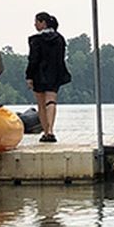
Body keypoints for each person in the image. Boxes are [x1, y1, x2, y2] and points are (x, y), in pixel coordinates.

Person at [25, 12, 71, 143]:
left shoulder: (35, 40)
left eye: (36, 22)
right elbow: (61, 57)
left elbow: (33, 59)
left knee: (41, 104)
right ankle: (51, 130)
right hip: (55, 73)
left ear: (43, 23)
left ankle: (45, 132)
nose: (35, 24)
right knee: (51, 101)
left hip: (38, 73)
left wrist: (29, 76)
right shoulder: (59, 39)